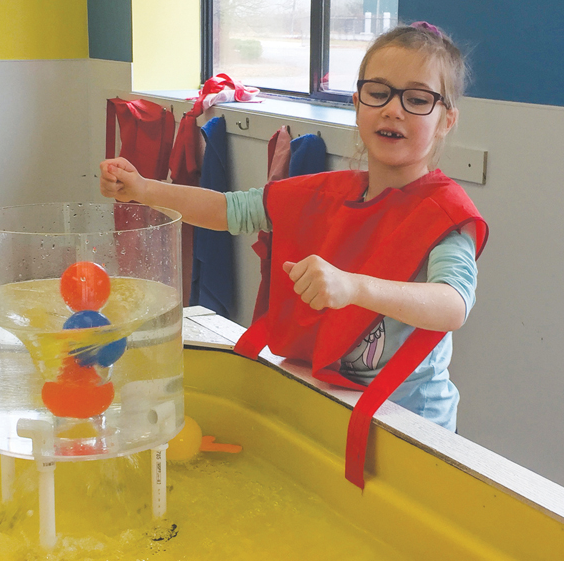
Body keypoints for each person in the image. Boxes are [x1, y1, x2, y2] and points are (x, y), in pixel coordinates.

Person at [100, 22, 487, 440]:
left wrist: (355, 287)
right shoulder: (323, 195)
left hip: (414, 426)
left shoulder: (444, 214)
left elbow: (453, 304)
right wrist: (142, 189)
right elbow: (227, 210)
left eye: (417, 99)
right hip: (333, 399)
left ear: (447, 120)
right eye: (379, 93)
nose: (393, 109)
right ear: (357, 103)